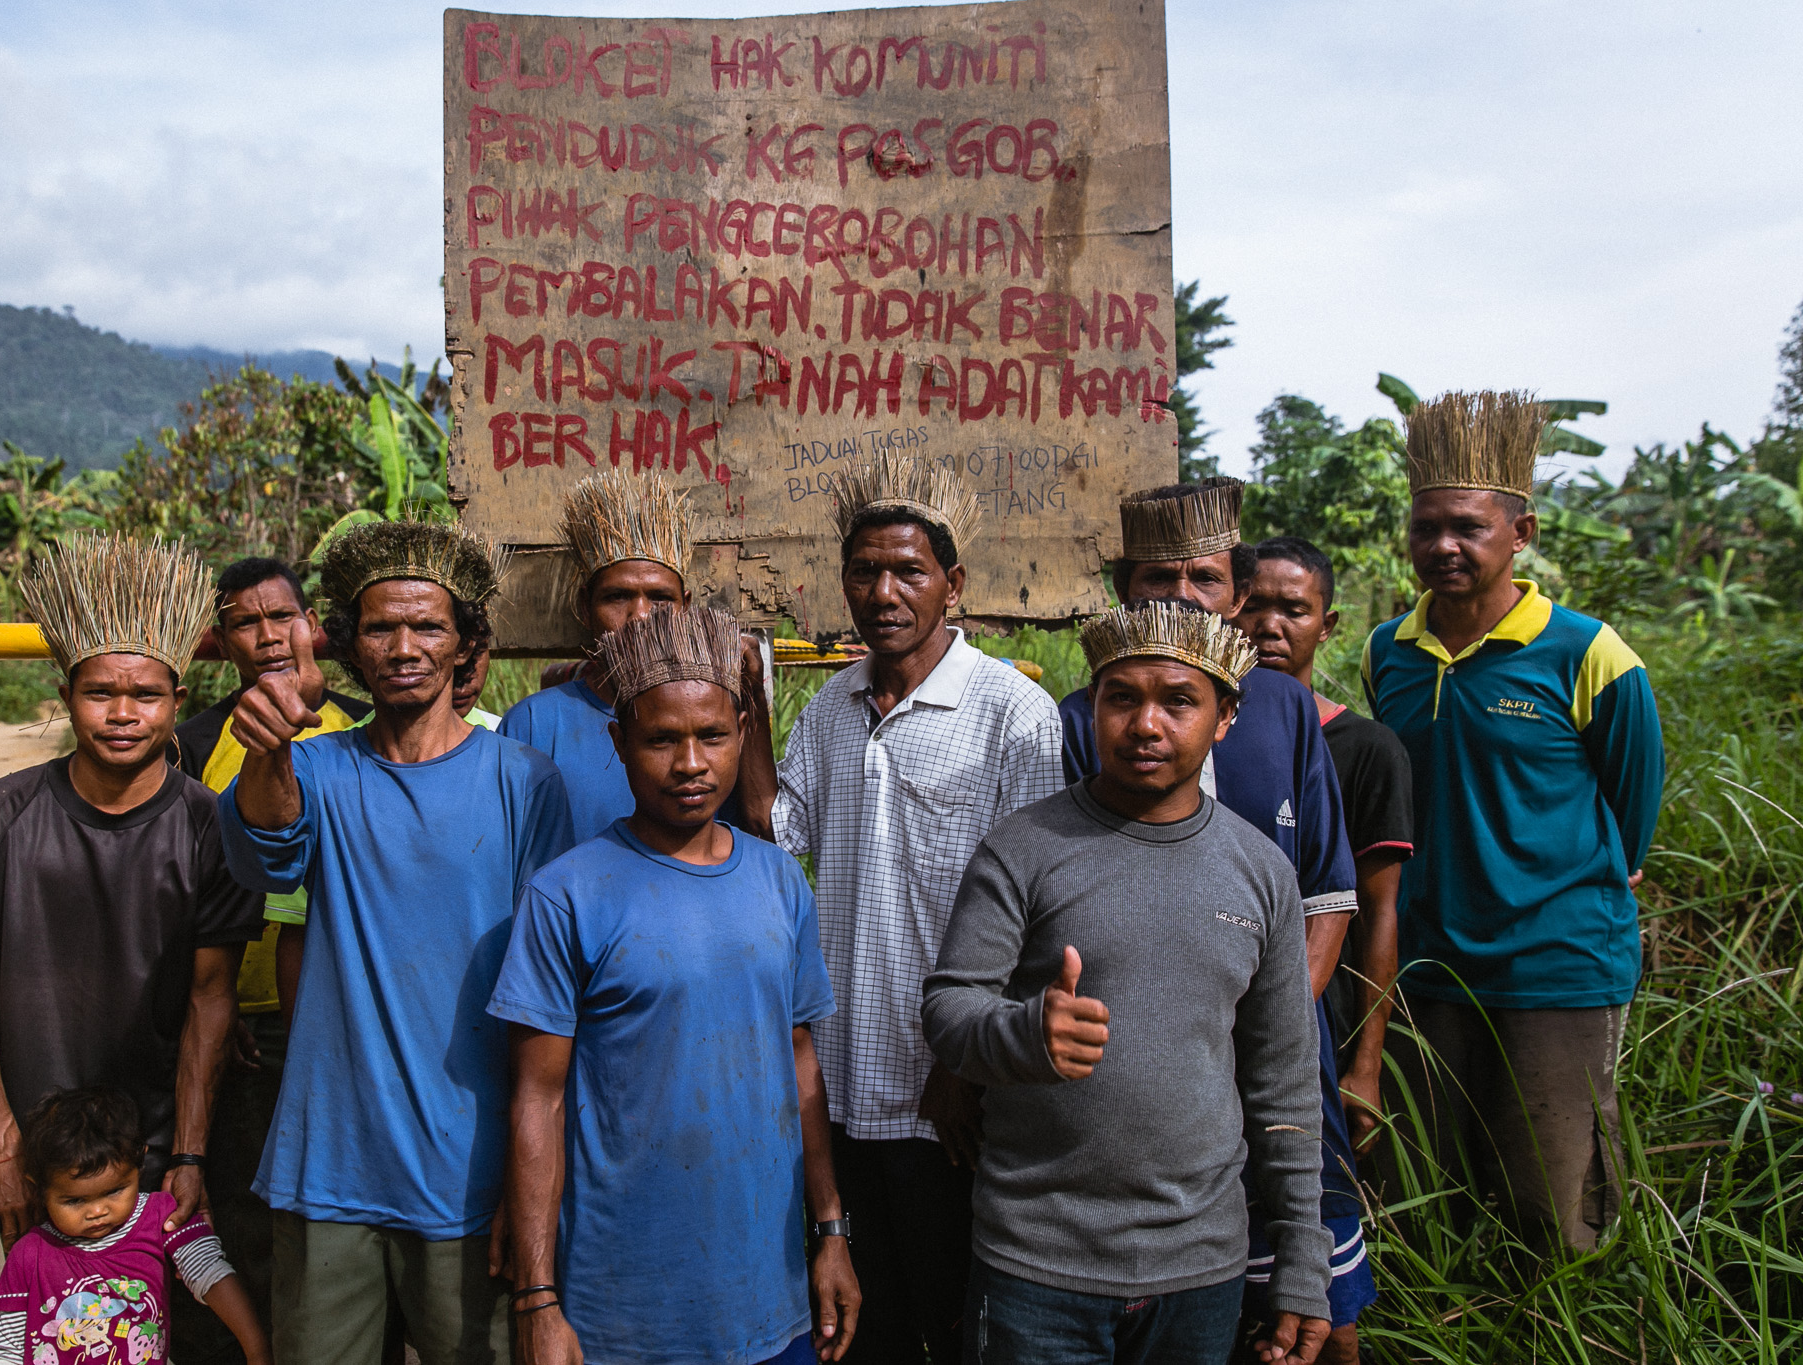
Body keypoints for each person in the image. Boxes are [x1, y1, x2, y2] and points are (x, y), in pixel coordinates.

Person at [922, 599, 1330, 1365]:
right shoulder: (1024, 848)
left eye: (1178, 701)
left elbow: (1284, 1084)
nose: (1146, 724)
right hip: (1035, 1260)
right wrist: (1022, 1032)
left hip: (1199, 1267)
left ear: (1225, 717)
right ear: (1094, 705)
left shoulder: (1262, 873)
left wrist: (1304, 1259)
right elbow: (949, 1009)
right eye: (1122, 698)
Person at [219, 519, 574, 1365]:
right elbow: (265, 853)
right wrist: (270, 744)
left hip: (468, 1169)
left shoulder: (523, 780)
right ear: (349, 643)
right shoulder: (317, 769)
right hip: (328, 1166)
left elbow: (548, 990)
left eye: (427, 626)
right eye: (380, 627)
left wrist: (526, 1185)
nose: (404, 647)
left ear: (465, 644)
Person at [738, 450, 1064, 1365]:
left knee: (956, 1321)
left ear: (952, 584)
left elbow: (1040, 908)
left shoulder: (1013, 714)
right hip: (842, 1080)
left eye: (908, 571)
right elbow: (776, 835)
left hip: (944, 1095)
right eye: (864, 571)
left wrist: (967, 1063)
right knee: (864, 1322)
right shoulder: (832, 707)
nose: (883, 592)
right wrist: (751, 709)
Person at [493, 605, 862, 1365]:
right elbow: (538, 1098)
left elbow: (800, 1060)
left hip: (770, 1300)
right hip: (620, 1316)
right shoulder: (566, 895)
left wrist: (830, 1231)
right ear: (619, 743)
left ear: (743, 733)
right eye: (662, 739)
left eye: (712, 736)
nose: (691, 762)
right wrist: (538, 1298)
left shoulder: (779, 880)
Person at [1052, 479, 1371, 1338]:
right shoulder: (1086, 720)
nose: (1182, 597)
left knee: (1318, 1304)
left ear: (1237, 593)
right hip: (1152, 1068)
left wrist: (1268, 1025)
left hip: (1284, 1050)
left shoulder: (1285, 707)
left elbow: (1328, 893)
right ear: (1123, 590)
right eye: (1159, 577)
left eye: (1204, 578)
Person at [1363, 390, 1664, 1252]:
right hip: (1427, 959)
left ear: (1520, 531)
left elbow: (1632, 813)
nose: (1443, 546)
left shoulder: (1588, 652)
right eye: (1426, 528)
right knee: (1423, 1193)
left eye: (1468, 527)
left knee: (1553, 1209)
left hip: (1556, 961)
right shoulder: (1390, 650)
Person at [0, 534, 258, 1253]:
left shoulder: (210, 826)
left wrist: (191, 1153)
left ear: (177, 701)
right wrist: (2, 1149)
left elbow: (210, 998)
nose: (123, 713)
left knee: (175, 1308)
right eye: (100, 692)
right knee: (48, 1310)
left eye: (146, 695)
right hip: (35, 1150)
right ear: (66, 697)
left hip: (159, 1145)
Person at [172, 556, 372, 1362]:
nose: (267, 636)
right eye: (244, 622)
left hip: (349, 1015)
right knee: (249, 1209)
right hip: (247, 1025)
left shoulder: (362, 727)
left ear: (311, 626)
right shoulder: (192, 743)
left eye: (282, 616)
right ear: (221, 641)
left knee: (340, 1217)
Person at [1236, 536, 1415, 1364]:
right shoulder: (1197, 733)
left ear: (1327, 623)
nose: (1269, 625)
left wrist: (1364, 1064)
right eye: (1255, 604)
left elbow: (1377, 911)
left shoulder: (1365, 748)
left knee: (1323, 1286)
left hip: (1314, 1032)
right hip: (1216, 1040)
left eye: (1294, 609)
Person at [0, 1086, 270, 1365]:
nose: (97, 1211)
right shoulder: (29, 1253)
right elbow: (4, 1347)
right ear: (39, 1189)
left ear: (140, 1162)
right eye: (74, 1200)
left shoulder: (162, 1218)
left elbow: (209, 1271)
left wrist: (256, 1350)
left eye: (114, 1191)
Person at [499, 468, 699, 839]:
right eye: (617, 597)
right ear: (585, 608)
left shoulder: (709, 723)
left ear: (684, 608)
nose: (640, 616)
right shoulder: (534, 724)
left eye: (659, 598)